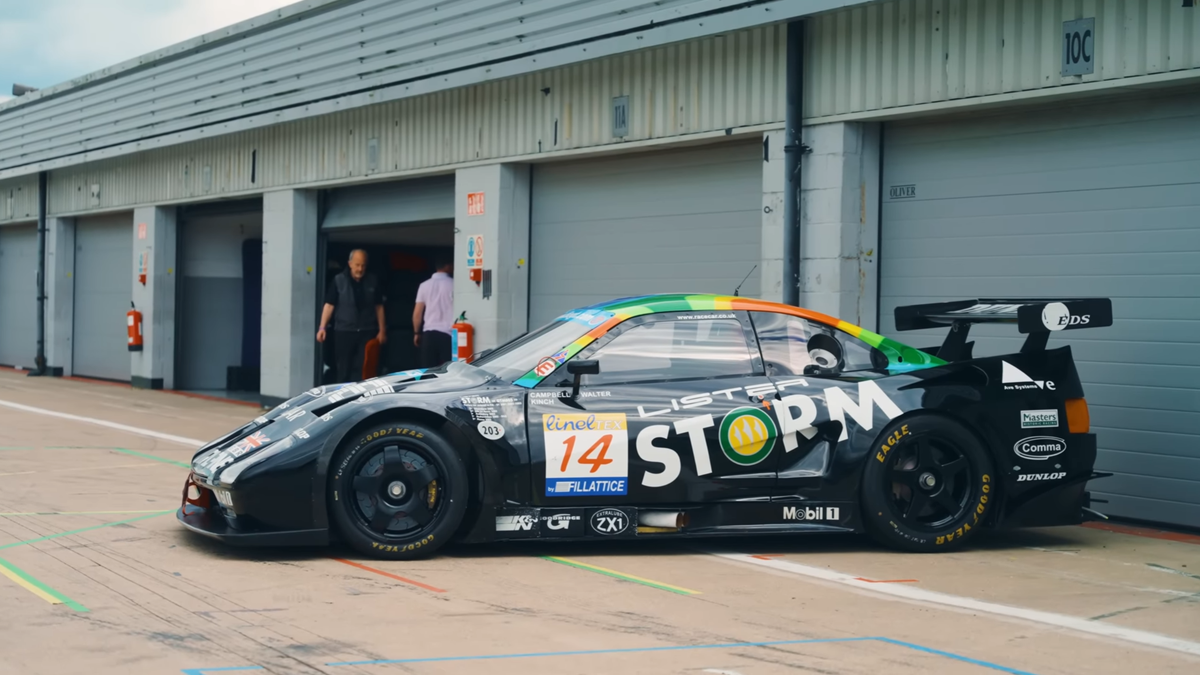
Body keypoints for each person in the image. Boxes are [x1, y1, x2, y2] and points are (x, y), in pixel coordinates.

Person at [317, 249, 386, 382]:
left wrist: (382, 330)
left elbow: (379, 307)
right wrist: (322, 328)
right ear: (350, 264)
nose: (360, 269)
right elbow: (329, 305)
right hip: (344, 332)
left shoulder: (372, 280)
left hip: (366, 331)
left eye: (363, 265)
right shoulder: (338, 280)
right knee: (343, 369)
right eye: (357, 265)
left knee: (365, 369)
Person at [412, 259, 454, 367]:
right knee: (449, 371)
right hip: (448, 335)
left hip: (429, 335)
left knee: (428, 372)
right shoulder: (454, 285)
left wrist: (417, 333)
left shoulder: (424, 285)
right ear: (448, 266)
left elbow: (417, 313)